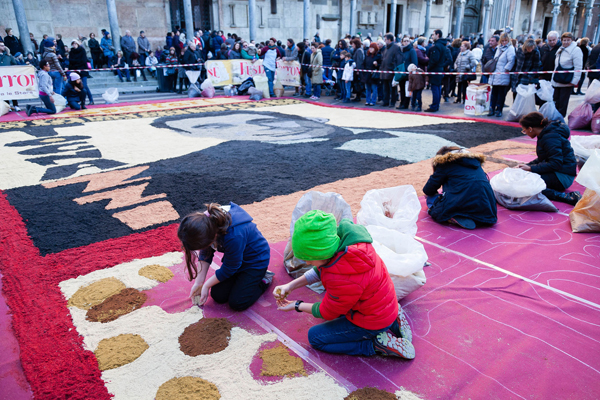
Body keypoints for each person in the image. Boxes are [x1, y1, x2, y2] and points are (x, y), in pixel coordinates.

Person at [273, 210, 415, 359]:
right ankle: (394, 319)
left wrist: (296, 305)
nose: (307, 263)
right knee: (346, 308)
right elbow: (320, 270)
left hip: (374, 319)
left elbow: (327, 312)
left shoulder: (342, 278)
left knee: (315, 338)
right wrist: (289, 286)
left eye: (309, 258)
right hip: (385, 303)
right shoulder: (347, 246)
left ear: (323, 253)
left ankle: (375, 345)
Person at [178, 203, 273, 311]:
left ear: (213, 237)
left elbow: (230, 267)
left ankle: (264, 279)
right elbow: (205, 254)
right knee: (218, 295)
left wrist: (206, 285)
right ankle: (242, 281)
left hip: (255, 262)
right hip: (237, 260)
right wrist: (199, 283)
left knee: (238, 303)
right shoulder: (206, 225)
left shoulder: (234, 235)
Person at [423, 146, 497, 230]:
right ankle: (472, 216)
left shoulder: (445, 163)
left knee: (431, 199)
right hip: (486, 207)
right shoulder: (475, 163)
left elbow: (428, 189)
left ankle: (454, 215)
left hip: (460, 202)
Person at [517, 112, 580, 205]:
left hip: (563, 176)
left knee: (529, 184)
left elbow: (555, 163)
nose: (525, 133)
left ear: (530, 129)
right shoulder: (545, 134)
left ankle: (567, 197)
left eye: (524, 131)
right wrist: (527, 166)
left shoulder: (550, 137)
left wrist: (531, 168)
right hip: (560, 171)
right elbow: (543, 159)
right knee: (526, 178)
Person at [551, 32, 583, 117]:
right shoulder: (560, 49)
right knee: (555, 100)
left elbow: (578, 67)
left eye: (568, 40)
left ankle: (559, 119)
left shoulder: (576, 50)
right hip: (557, 79)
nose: (565, 42)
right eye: (564, 40)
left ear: (572, 40)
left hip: (566, 80)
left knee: (562, 103)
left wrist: (574, 81)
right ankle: (554, 118)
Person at [488, 33, 515, 117]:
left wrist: (506, 69)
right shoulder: (499, 48)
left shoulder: (510, 48)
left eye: (505, 40)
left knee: (501, 93)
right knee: (494, 93)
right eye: (502, 41)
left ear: (508, 40)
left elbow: (511, 60)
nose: (504, 42)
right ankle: (492, 108)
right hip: (496, 73)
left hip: (503, 73)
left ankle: (499, 110)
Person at [425, 30, 450, 112]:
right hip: (439, 69)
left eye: (433, 35)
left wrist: (429, 68)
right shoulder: (443, 45)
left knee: (435, 88)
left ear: (437, 35)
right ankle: (436, 104)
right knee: (438, 88)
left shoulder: (437, 46)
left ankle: (434, 106)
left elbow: (434, 59)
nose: (432, 36)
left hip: (435, 70)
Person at [380, 33, 403, 107]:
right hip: (385, 71)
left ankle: (392, 102)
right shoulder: (386, 48)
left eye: (385, 39)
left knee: (392, 88)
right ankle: (385, 101)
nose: (384, 41)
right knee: (385, 88)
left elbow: (398, 59)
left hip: (391, 71)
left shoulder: (396, 47)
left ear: (389, 40)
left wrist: (395, 69)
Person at [69, 40, 94, 105]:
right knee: (77, 86)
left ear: (77, 44)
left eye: (75, 43)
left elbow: (83, 60)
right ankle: (81, 100)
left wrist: (77, 64)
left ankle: (91, 99)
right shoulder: (71, 52)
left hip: (82, 70)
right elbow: (71, 61)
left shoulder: (82, 50)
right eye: (73, 44)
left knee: (84, 86)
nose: (74, 45)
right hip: (75, 71)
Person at [397, 36, 418, 109]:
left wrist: (411, 71)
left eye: (407, 41)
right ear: (402, 42)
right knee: (401, 89)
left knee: (407, 89)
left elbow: (414, 62)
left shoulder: (412, 50)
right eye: (404, 41)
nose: (406, 42)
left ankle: (405, 104)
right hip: (401, 73)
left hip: (408, 74)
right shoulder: (401, 50)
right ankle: (401, 103)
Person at [0, 41, 21, 111]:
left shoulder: (8, 55)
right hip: (1, 77)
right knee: (4, 91)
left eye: (3, 45)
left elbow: (14, 63)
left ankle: (16, 105)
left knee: (12, 90)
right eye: (1, 46)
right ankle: (8, 106)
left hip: (9, 76)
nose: (3, 47)